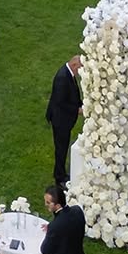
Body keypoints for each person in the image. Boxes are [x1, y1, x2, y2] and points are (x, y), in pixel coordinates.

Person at [46, 56, 82, 186]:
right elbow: (61, 102)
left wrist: (80, 104)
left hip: (63, 118)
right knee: (61, 148)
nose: (81, 71)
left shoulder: (69, 74)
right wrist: (77, 110)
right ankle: (59, 177)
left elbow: (73, 93)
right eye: (80, 68)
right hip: (60, 120)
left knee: (63, 146)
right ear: (74, 65)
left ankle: (61, 173)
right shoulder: (62, 78)